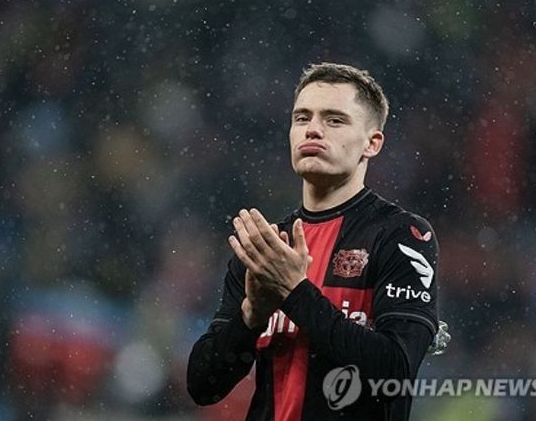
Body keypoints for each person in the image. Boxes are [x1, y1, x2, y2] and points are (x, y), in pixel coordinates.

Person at [187, 62, 446, 420]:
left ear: (372, 143)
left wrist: (295, 293)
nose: (312, 129)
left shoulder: (402, 235)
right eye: (302, 118)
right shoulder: (267, 249)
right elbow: (203, 386)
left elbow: (396, 370)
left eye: (334, 120)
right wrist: (251, 317)